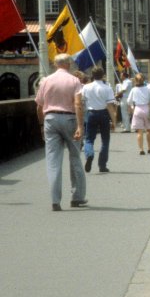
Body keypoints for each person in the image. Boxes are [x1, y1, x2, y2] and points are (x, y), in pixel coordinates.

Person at [34, 53, 86, 210]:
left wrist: (41, 125)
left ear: (55, 65)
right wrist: (80, 126)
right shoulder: (74, 81)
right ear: (68, 64)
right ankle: (77, 197)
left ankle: (55, 200)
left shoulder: (46, 81)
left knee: (53, 161)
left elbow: (39, 107)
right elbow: (78, 104)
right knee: (75, 157)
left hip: (50, 119)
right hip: (69, 119)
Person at [80, 66, 117, 173]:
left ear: (92, 75)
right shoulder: (107, 88)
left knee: (89, 138)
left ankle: (89, 154)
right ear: (103, 75)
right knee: (105, 140)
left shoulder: (86, 87)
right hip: (103, 113)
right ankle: (102, 165)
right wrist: (114, 121)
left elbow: (82, 102)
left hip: (91, 113)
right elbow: (110, 106)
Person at [127, 73, 150, 155]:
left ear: (135, 80)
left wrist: (132, 107)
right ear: (144, 80)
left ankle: (141, 149)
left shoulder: (133, 89)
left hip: (137, 109)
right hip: (147, 109)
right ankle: (149, 148)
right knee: (149, 130)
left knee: (139, 131)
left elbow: (128, 101)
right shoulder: (148, 88)